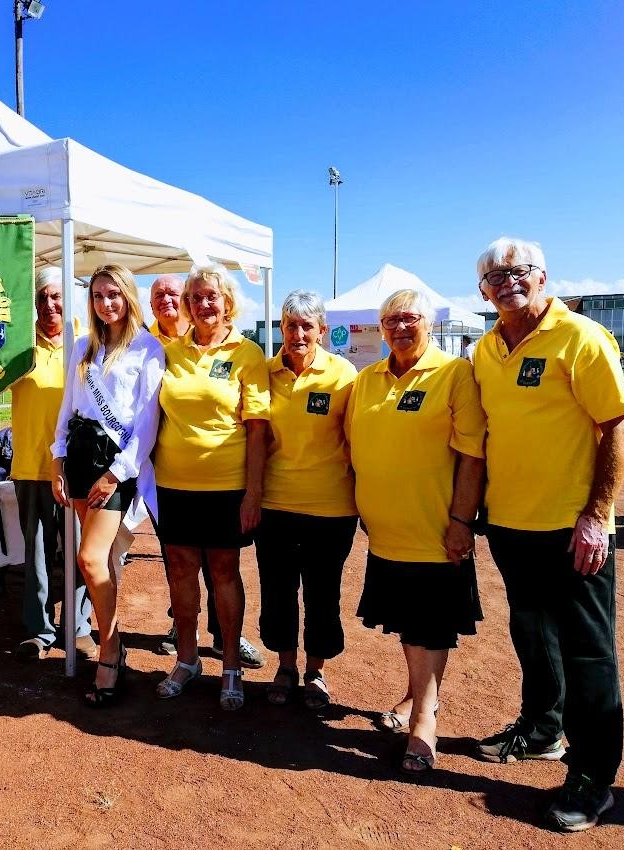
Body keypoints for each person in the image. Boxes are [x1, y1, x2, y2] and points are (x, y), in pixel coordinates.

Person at [473, 238, 624, 832]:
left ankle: (594, 777)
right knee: (532, 634)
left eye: (518, 272)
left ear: (543, 277)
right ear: (483, 291)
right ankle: (542, 730)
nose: (506, 281)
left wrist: (597, 514)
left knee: (588, 653)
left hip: (573, 529)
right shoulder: (486, 349)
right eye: (494, 276)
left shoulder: (582, 338)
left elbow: (617, 426)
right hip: (511, 524)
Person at [346, 288, 486, 772]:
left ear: (429, 323)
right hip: (385, 532)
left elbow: (472, 455)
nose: (400, 329)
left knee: (430, 625)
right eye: (391, 322)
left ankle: (425, 718)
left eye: (410, 320)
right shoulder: (367, 380)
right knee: (410, 622)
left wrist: (461, 521)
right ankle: (413, 697)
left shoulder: (454, 373)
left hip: (435, 529)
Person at [154, 265, 269, 711]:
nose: (204, 304)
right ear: (187, 303)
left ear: (227, 302)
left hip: (226, 486)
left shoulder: (248, 352)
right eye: (196, 297)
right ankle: (186, 660)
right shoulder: (169, 351)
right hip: (173, 483)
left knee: (224, 572)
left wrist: (253, 493)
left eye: (212, 297)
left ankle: (230, 667)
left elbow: (258, 430)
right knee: (180, 570)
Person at [51, 264, 164, 708]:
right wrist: (57, 456)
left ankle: (110, 649)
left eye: (114, 294)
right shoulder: (82, 346)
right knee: (99, 561)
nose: (106, 303)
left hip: (113, 465)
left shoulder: (147, 349)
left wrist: (116, 472)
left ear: (128, 296)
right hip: (78, 458)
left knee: (90, 558)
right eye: (98, 295)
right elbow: (68, 406)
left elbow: (147, 422)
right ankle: (112, 645)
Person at [255, 290, 359, 709]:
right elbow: (257, 439)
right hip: (275, 504)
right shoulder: (264, 373)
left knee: (322, 592)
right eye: (290, 325)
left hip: (331, 508)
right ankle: (285, 667)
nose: (298, 334)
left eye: (307, 326)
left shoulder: (344, 375)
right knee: (277, 590)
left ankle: (315, 671)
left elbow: (355, 440)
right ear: (282, 327)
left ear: (320, 330)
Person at [11, 267, 95, 662]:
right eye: (42, 297)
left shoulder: (85, 344)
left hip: (76, 469)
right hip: (32, 466)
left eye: (57, 296)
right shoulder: (18, 346)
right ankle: (40, 630)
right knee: (38, 554)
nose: (49, 305)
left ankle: (78, 628)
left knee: (80, 551)